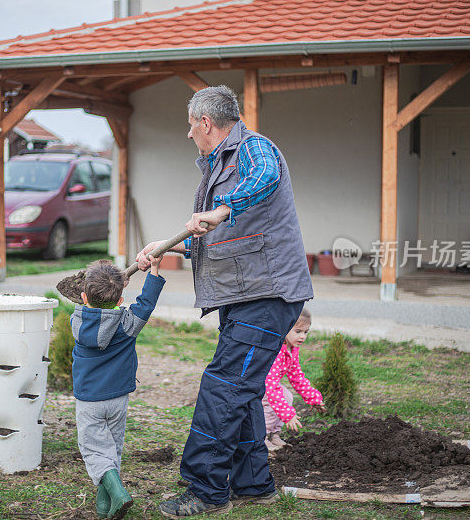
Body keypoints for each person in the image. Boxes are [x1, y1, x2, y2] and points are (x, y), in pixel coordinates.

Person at [135, 85, 313, 518]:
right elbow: (218, 241)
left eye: (190, 126)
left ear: (205, 123)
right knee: (243, 390)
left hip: (268, 294)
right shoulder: (218, 168)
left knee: (224, 386)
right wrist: (166, 247)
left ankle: (206, 491)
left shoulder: (255, 149)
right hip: (245, 293)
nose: (188, 135)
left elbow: (264, 178)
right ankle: (254, 485)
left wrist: (220, 210)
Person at [71, 258, 166, 519]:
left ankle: (119, 494)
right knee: (112, 448)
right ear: (121, 300)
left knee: (94, 450)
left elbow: (94, 309)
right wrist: (154, 271)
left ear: (83, 297)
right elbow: (146, 304)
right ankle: (104, 508)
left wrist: (107, 288)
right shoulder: (127, 324)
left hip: (90, 400)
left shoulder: (77, 321)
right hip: (118, 398)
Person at [262, 308, 325, 452]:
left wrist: (313, 398)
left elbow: (297, 376)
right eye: (298, 331)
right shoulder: (276, 350)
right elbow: (270, 387)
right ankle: (261, 438)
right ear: (284, 328)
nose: (302, 337)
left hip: (270, 385)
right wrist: (287, 415)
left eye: (305, 332)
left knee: (287, 396)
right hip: (258, 385)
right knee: (271, 405)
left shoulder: (291, 349)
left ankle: (274, 434)